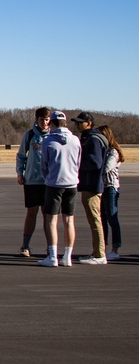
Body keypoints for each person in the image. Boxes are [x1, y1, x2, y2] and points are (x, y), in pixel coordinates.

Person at [38, 111, 81, 267]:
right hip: (71, 183)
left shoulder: (48, 141)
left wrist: (48, 176)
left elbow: (44, 165)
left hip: (54, 183)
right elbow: (78, 162)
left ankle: (53, 256)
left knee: (51, 219)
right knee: (69, 220)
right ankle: (68, 256)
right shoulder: (75, 140)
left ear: (52, 124)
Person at [72, 112, 110, 265]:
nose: (78, 125)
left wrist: (77, 168)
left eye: (80, 123)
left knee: (95, 220)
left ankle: (100, 254)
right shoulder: (90, 138)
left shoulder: (93, 139)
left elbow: (95, 162)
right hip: (90, 184)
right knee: (94, 220)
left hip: (92, 185)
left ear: (89, 123)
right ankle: (97, 252)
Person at [15, 108, 50, 257]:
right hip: (32, 181)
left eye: (47, 119)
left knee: (48, 215)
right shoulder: (30, 135)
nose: (44, 122)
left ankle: (51, 247)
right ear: (36, 119)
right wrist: (19, 173)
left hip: (49, 182)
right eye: (42, 119)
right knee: (31, 213)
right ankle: (25, 245)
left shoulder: (54, 136)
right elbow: (21, 155)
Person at [98, 125, 124, 260]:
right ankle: (103, 247)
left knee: (112, 218)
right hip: (101, 187)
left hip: (110, 187)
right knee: (101, 218)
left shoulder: (113, 152)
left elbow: (106, 168)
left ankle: (115, 248)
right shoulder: (103, 150)